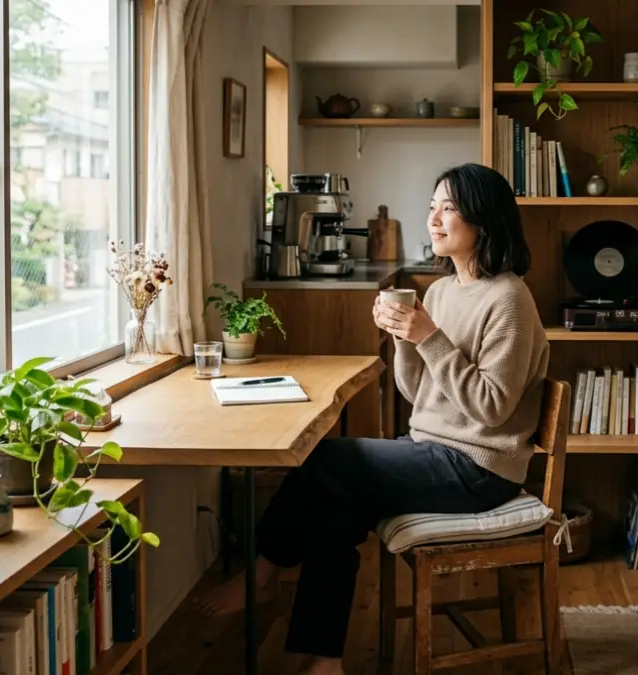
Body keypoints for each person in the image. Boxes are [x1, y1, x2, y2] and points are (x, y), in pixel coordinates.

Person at [196, 162, 550, 675]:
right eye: (432, 206)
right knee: (334, 513)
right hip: (431, 450)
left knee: (328, 457)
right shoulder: (443, 290)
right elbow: (417, 393)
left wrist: (427, 336)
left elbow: (491, 408)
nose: (434, 219)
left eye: (449, 208)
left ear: (485, 219)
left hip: (480, 468)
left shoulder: (509, 299)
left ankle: (265, 569)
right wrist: (400, 337)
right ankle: (326, 661)